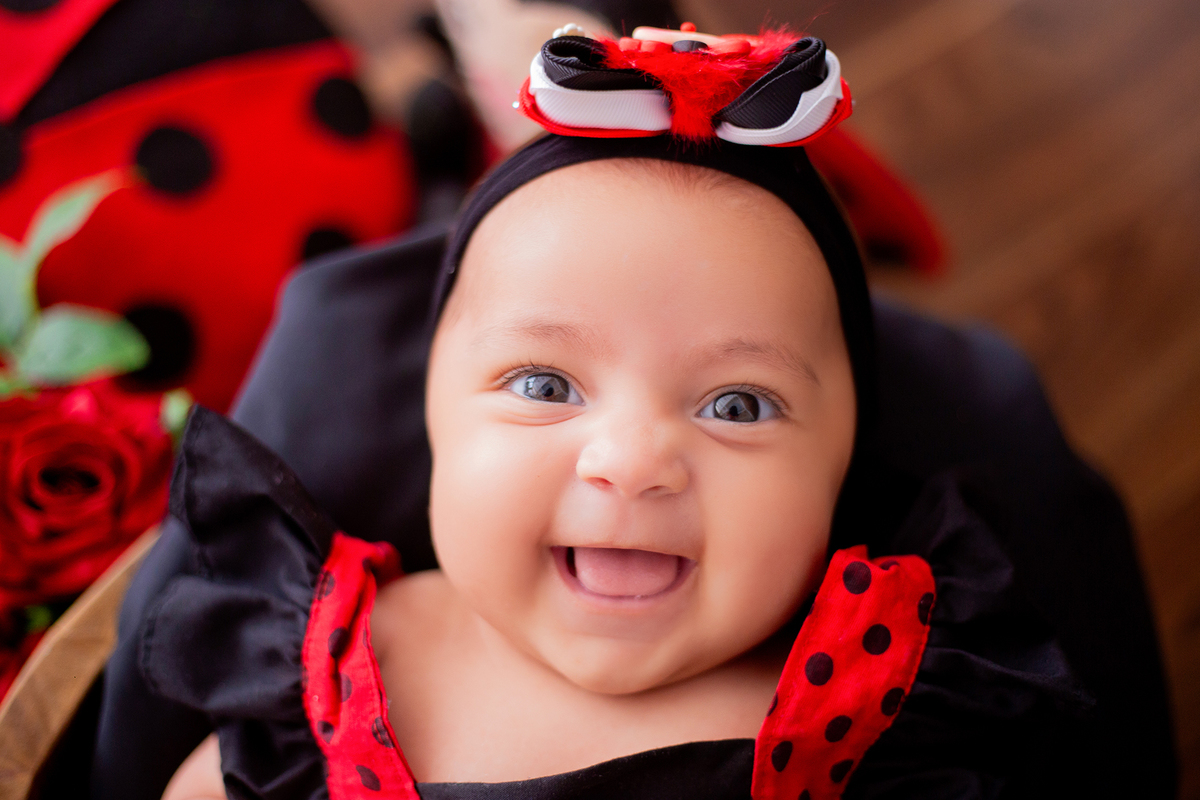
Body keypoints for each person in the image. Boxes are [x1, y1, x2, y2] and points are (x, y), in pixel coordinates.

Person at [138, 25, 1097, 800]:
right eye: (546, 386)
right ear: (430, 415)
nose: (632, 460)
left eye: (737, 403)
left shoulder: (868, 704)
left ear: (846, 458)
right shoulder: (327, 664)